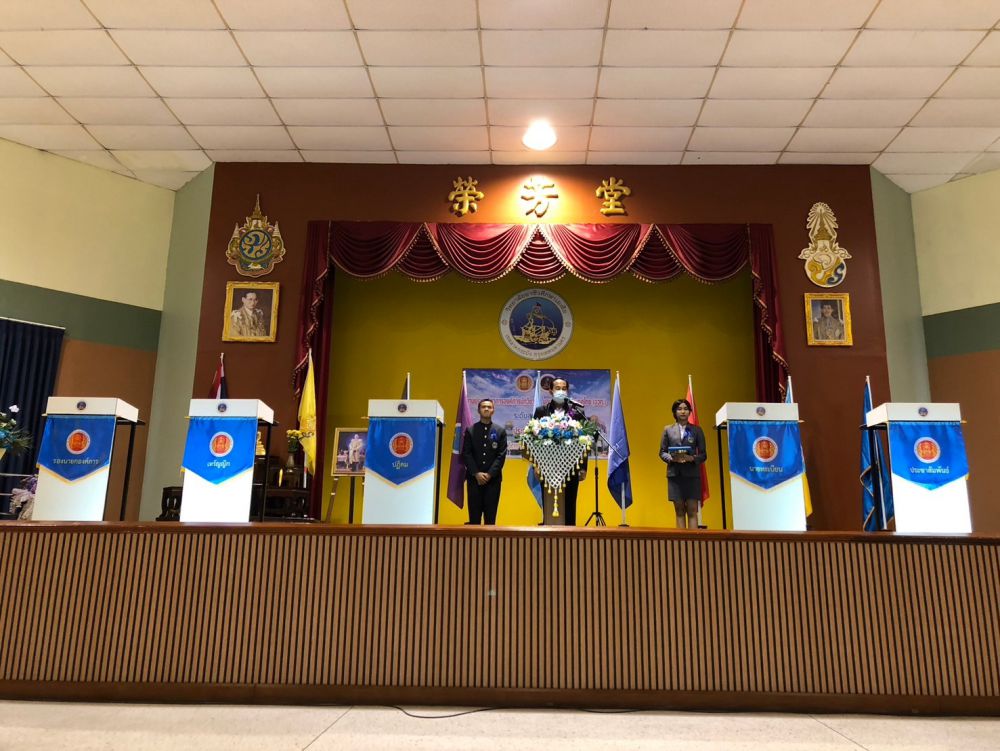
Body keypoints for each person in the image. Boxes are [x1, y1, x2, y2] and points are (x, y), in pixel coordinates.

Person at [532, 377, 587, 525]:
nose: (561, 391)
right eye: (557, 388)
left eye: (564, 388)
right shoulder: (541, 411)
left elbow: (584, 440)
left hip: (572, 466)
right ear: (550, 390)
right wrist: (536, 465)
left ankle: (570, 535)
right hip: (547, 466)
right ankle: (549, 533)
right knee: (549, 504)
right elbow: (534, 440)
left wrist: (583, 467)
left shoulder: (577, 411)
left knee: (570, 504)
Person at [659, 398, 707, 530]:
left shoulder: (697, 430)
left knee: (692, 510)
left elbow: (703, 455)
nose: (683, 411)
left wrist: (691, 458)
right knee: (679, 511)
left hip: (692, 475)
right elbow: (662, 452)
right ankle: (680, 542)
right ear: (674, 412)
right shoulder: (667, 430)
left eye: (685, 409)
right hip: (675, 475)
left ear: (690, 412)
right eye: (679, 409)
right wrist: (672, 459)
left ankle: (693, 542)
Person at [462, 399, 507, 525]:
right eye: (483, 407)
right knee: (474, 519)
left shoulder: (500, 431)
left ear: (493, 410)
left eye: (489, 407)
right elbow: (467, 453)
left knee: (490, 519)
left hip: (493, 481)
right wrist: (476, 473)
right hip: (474, 480)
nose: (486, 409)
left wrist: (489, 474)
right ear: (478, 410)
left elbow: (501, 455)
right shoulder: (470, 430)